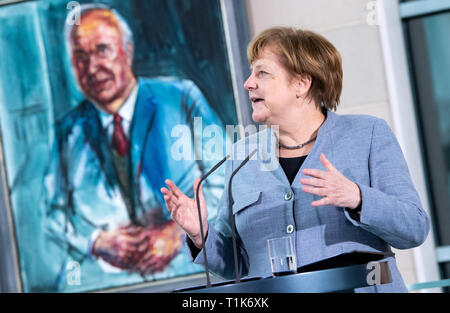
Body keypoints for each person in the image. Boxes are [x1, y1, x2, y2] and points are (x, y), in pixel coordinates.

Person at [161, 27, 430, 292]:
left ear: (301, 84)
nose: (248, 83)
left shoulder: (368, 134)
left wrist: (358, 198)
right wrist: (200, 235)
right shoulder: (241, 156)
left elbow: (414, 228)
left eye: (262, 72)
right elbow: (236, 264)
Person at [44, 4, 225, 291]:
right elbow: (54, 213)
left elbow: (225, 179)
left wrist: (178, 232)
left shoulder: (181, 98)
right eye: (80, 57)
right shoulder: (67, 132)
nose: (92, 67)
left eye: (102, 50)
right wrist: (96, 241)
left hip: (188, 270)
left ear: (127, 51)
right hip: (107, 281)